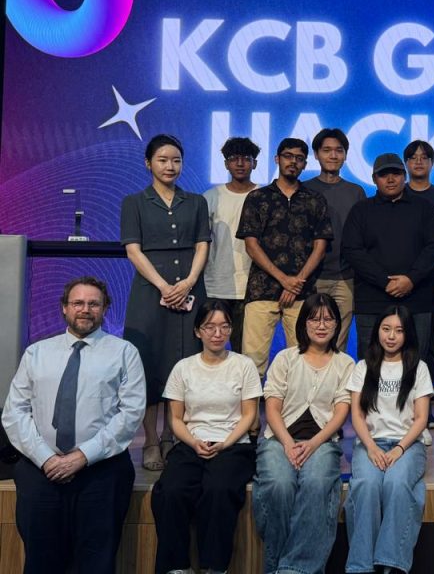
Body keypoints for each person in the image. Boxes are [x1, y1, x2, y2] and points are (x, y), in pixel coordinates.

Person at [2, 276, 146, 574]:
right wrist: (47, 458)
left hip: (101, 471)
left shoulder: (124, 352)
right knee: (41, 561)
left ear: (105, 308)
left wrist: (82, 456)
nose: (85, 309)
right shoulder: (36, 352)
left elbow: (130, 414)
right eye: (78, 303)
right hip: (41, 470)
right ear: (64, 308)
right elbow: (15, 412)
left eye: (94, 304)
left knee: (96, 562)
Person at [151, 299, 262, 574]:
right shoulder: (183, 367)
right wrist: (193, 442)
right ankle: (177, 567)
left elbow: (249, 415)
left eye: (224, 327)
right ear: (197, 331)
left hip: (233, 444)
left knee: (219, 490)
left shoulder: (244, 365)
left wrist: (226, 442)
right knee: (171, 491)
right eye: (210, 327)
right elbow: (175, 419)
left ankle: (215, 567)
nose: (217, 333)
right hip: (191, 442)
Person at [121, 133, 210, 471]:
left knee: (185, 362)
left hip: (190, 289)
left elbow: (202, 245)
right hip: (149, 292)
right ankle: (151, 441)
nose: (170, 166)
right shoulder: (134, 202)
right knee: (149, 362)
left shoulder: (196, 202)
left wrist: (187, 282)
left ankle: (174, 435)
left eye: (176, 160)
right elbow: (133, 250)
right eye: (162, 160)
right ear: (148, 163)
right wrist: (163, 286)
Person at [253, 293, 355, 574]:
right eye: (314, 319)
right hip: (279, 439)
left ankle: (295, 569)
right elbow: (272, 407)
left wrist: (313, 443)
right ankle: (278, 565)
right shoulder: (286, 358)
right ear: (303, 323)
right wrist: (288, 443)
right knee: (279, 484)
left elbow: (341, 411)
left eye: (328, 319)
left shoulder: (346, 363)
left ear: (337, 324)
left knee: (316, 484)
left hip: (322, 442)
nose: (321, 325)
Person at [345, 306, 434, 574]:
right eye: (386, 329)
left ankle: (390, 565)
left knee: (396, 483)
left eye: (398, 330)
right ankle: (360, 567)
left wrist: (399, 449)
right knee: (367, 486)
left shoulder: (419, 368)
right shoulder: (363, 367)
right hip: (370, 443)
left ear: (407, 334)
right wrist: (371, 447)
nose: (391, 336)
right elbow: (357, 415)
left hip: (407, 444)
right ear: (377, 331)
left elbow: (421, 418)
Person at [237, 137, 332, 376]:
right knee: (251, 364)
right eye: (288, 156)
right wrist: (284, 280)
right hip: (262, 289)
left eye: (299, 158)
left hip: (302, 292)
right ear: (277, 159)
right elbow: (251, 245)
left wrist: (296, 282)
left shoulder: (315, 199)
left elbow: (320, 246)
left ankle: (297, 404)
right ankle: (253, 403)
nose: (293, 162)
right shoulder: (257, 198)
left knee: (303, 362)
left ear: (305, 164)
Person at [342, 152, 434, 361]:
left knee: (416, 362)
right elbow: (352, 250)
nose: (390, 179)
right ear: (374, 179)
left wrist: (411, 279)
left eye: (396, 174)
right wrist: (384, 281)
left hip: (417, 298)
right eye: (383, 175)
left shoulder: (424, 208)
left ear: (404, 176)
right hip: (371, 299)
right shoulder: (361, 210)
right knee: (370, 363)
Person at [404, 139, 434, 428]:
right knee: (399, 340)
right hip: (400, 282)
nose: (419, 161)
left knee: (427, 344)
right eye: (413, 157)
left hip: (432, 279)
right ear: (406, 163)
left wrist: (424, 269)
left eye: (424, 157)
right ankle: (398, 405)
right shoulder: (397, 192)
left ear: (433, 163)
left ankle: (425, 407)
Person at [306, 127, 366, 352]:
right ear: (316, 154)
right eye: (327, 150)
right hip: (311, 277)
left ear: (345, 155)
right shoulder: (305, 190)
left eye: (339, 150)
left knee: (338, 343)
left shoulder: (356, 192)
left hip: (346, 278)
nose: (333, 155)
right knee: (309, 340)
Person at [203, 136, 260, 354]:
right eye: (234, 158)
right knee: (211, 347)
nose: (240, 163)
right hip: (216, 285)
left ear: (255, 163)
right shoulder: (211, 197)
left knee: (246, 352)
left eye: (246, 158)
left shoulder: (264, 196)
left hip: (253, 287)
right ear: (226, 164)